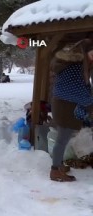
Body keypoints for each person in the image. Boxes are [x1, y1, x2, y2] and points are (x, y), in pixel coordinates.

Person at [49, 38, 93, 182]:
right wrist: (90, 103)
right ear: (85, 52)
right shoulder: (75, 66)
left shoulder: (74, 64)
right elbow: (74, 90)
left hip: (65, 105)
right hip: (65, 108)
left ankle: (58, 165)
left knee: (63, 139)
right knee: (62, 140)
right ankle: (55, 171)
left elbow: (82, 87)